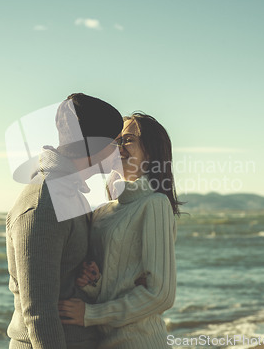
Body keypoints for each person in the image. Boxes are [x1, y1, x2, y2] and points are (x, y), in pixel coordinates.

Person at [5, 93, 123, 349]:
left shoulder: (69, 193)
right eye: (115, 142)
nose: (119, 150)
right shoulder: (45, 202)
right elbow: (39, 312)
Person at [59, 112, 181, 349]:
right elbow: (118, 283)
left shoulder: (155, 204)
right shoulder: (103, 212)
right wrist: (93, 282)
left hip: (141, 341)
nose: (118, 147)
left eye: (128, 139)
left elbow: (162, 295)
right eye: (116, 141)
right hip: (102, 342)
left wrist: (91, 314)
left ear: (152, 151)